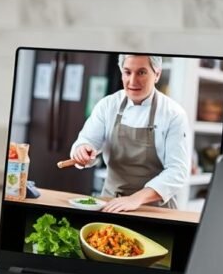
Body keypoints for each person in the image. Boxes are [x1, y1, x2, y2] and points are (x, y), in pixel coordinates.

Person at [69, 54, 190, 213]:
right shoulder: (107, 105)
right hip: (111, 203)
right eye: (127, 72)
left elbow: (177, 171)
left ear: (157, 74)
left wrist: (136, 199)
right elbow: (87, 140)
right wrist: (82, 150)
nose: (132, 81)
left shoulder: (173, 114)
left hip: (153, 209)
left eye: (141, 72)